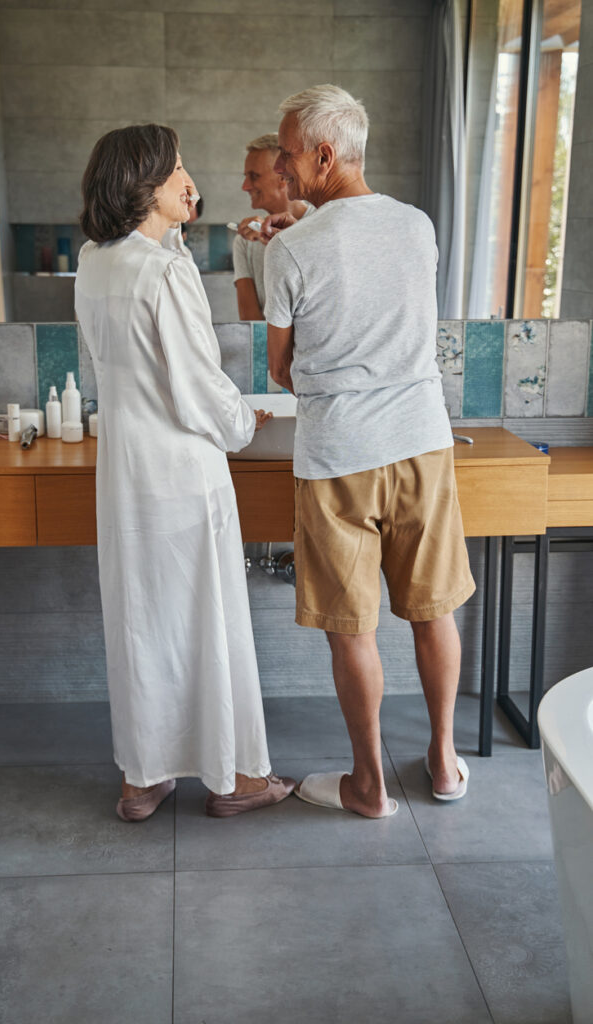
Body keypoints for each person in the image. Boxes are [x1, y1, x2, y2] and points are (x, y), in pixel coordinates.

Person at [262, 85, 476, 818]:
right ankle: (443, 763)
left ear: (325, 154)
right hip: (420, 443)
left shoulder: (288, 247)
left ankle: (367, 785)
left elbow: (278, 371)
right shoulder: (417, 226)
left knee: (351, 627)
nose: (282, 168)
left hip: (338, 457)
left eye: (289, 155)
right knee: (432, 609)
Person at [75, 124, 295, 821]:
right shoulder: (166, 272)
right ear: (143, 185)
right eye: (177, 170)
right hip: (182, 471)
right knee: (209, 621)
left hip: (126, 472)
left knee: (143, 621)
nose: (190, 181)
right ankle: (234, 781)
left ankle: (143, 779)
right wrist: (242, 424)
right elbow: (198, 386)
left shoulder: (95, 260)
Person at [233, 133, 310, 321]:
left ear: (283, 176)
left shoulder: (322, 224)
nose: (245, 186)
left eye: (254, 176)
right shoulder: (245, 241)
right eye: (246, 177)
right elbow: (251, 321)